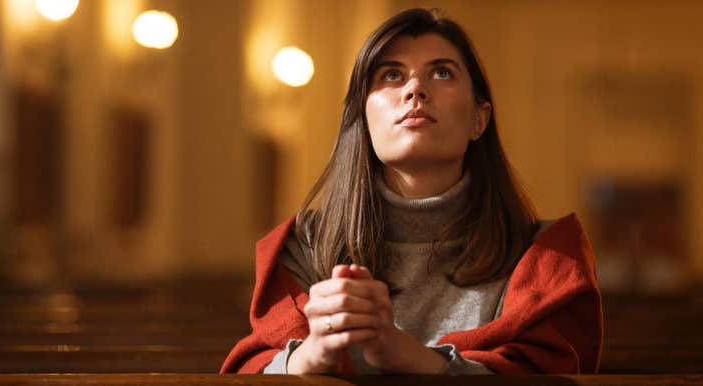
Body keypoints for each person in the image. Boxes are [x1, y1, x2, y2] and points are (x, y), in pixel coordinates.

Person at [221, 8, 602, 375]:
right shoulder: (304, 247)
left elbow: (549, 372)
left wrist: (403, 353)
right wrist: (312, 353)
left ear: (478, 119)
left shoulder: (543, 256)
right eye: (391, 75)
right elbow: (255, 369)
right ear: (364, 120)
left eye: (441, 72)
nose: (415, 88)